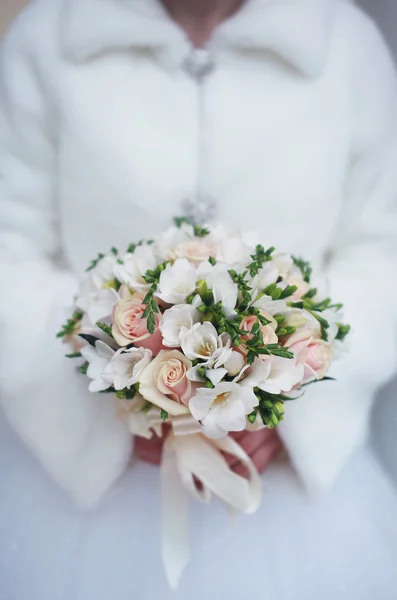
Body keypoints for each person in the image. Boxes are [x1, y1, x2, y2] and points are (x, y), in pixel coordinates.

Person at [0, 0, 397, 599]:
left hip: (291, 491)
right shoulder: (47, 34)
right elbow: (9, 245)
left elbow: (381, 249)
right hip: (81, 478)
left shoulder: (346, 42)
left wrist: (285, 398)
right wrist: (120, 390)